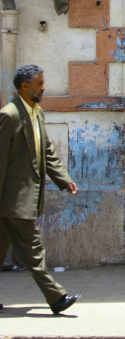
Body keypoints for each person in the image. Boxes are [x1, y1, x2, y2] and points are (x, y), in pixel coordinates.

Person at [0, 65, 80, 314]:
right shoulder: (10, 115)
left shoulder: (37, 112)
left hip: (24, 196)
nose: (43, 87)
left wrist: (63, 178)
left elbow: (47, 150)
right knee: (33, 250)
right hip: (14, 198)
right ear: (24, 86)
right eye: (39, 83)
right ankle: (56, 298)